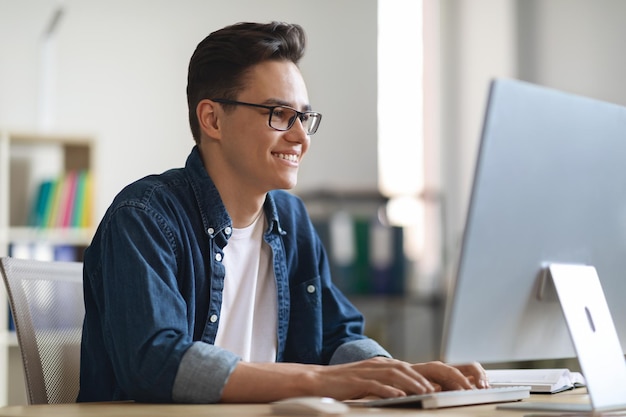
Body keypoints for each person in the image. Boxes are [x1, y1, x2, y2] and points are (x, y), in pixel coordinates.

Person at [78, 21, 488, 404]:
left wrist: (394, 374)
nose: (299, 137)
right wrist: (316, 381)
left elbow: (335, 333)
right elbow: (156, 364)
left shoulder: (290, 220)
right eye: (278, 114)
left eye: (303, 117)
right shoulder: (145, 218)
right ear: (212, 119)